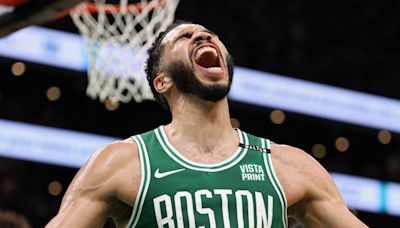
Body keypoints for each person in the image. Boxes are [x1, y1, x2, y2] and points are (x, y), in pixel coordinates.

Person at [46, 21, 367, 228]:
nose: (202, 34)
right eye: (184, 37)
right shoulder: (122, 162)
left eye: (210, 34)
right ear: (162, 82)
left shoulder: (288, 165)